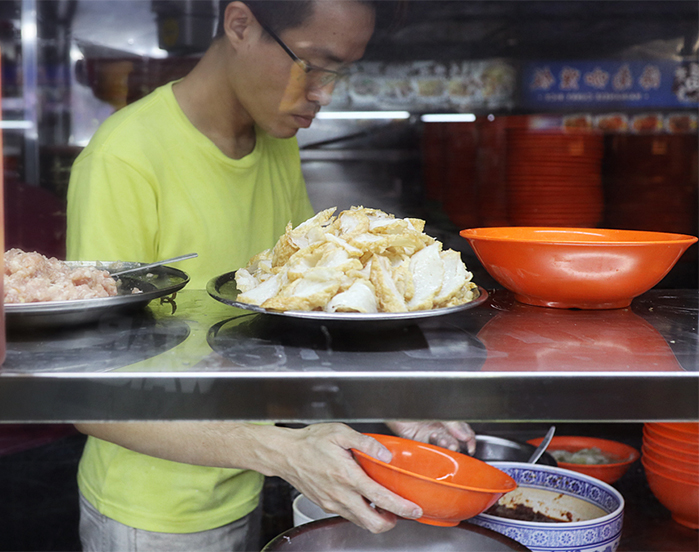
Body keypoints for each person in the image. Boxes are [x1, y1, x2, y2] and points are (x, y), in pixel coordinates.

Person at [66, 1, 475, 550]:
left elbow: (299, 314)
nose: (324, 93)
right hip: (155, 514)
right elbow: (90, 403)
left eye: (340, 72)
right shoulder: (125, 160)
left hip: (249, 482)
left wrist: (395, 404)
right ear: (240, 25)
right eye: (314, 64)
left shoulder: (275, 144)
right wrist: (282, 452)